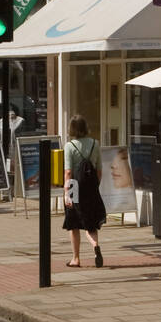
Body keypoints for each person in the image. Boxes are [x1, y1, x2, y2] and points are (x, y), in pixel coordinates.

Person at [62, 114, 107, 268]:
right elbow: (100, 170)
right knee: (91, 223)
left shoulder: (69, 146)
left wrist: (66, 193)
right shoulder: (95, 143)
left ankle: (76, 258)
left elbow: (68, 172)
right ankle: (95, 246)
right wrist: (95, 186)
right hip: (91, 188)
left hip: (75, 186)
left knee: (73, 223)